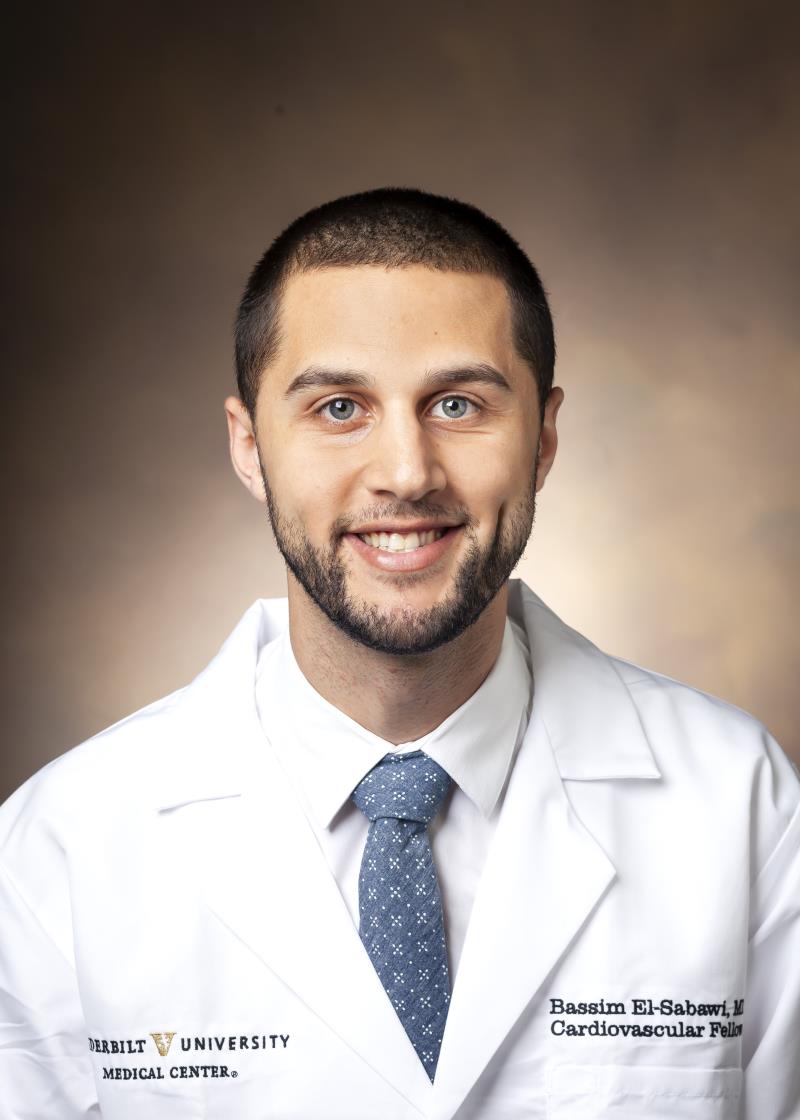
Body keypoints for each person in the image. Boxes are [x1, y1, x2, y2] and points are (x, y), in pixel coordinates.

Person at [0, 188, 797, 1120]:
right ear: (249, 446)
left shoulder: (741, 804)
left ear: (543, 438)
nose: (407, 472)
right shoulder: (62, 847)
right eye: (340, 407)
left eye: (458, 404)